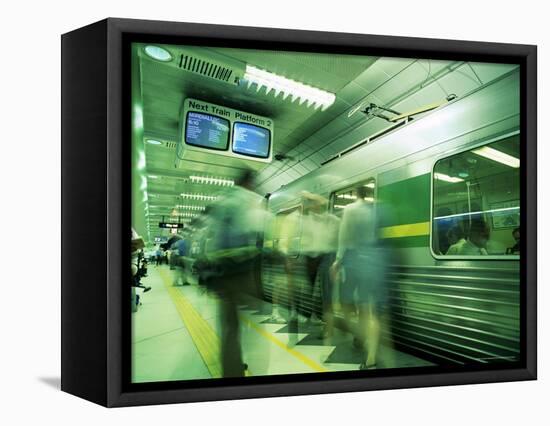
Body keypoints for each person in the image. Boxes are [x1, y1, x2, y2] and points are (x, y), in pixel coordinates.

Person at [204, 169, 268, 377]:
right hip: (240, 270)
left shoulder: (222, 200)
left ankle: (232, 368)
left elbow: (211, 238)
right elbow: (252, 231)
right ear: (249, 183)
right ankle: (241, 369)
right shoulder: (247, 201)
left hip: (221, 272)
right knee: (249, 324)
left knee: (230, 326)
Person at [331, 185, 389, 370]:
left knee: (350, 304)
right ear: (369, 194)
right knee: (371, 310)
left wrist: (337, 261)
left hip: (355, 260)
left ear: (356, 194)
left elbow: (343, 237)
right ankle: (371, 356)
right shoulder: (377, 210)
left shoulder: (349, 210)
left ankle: (360, 336)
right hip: (375, 261)